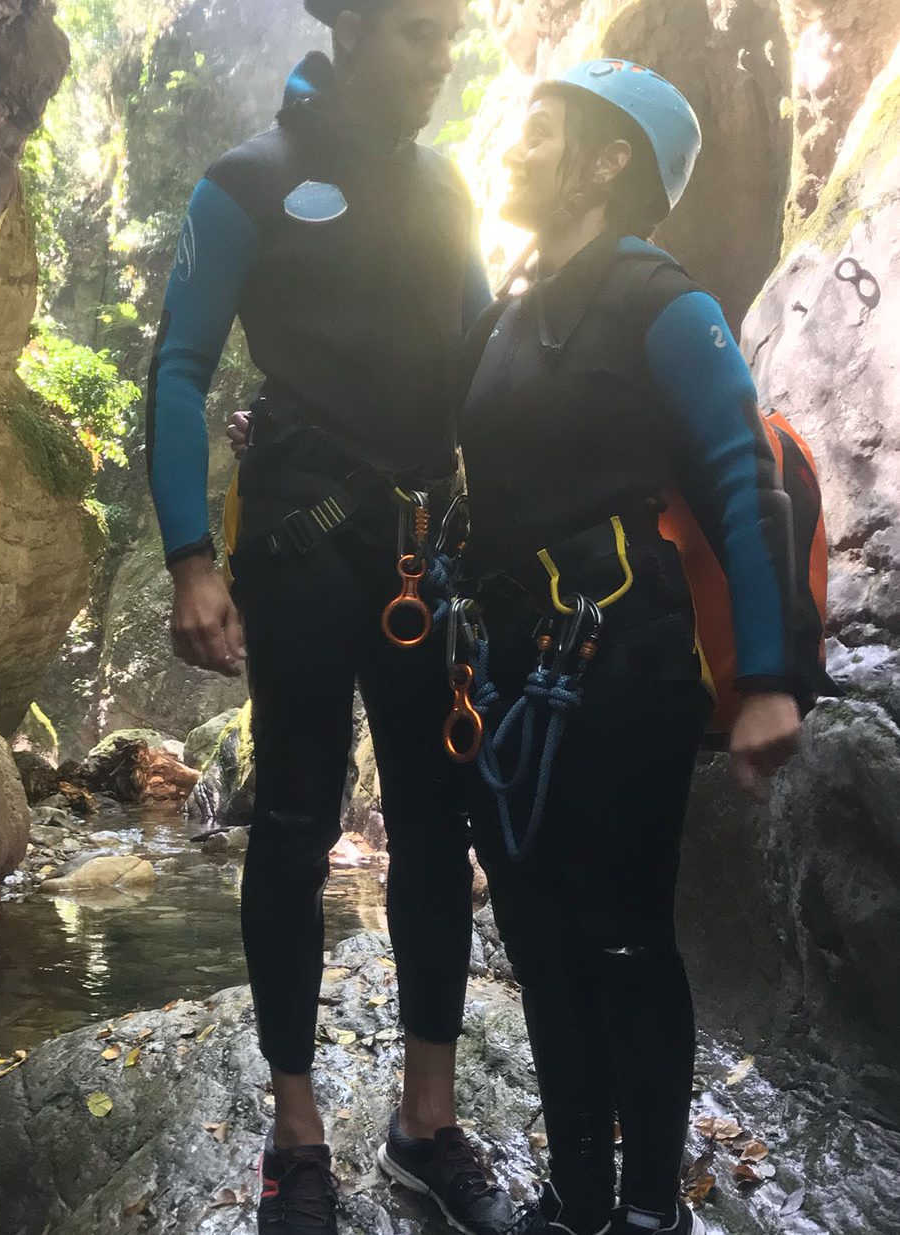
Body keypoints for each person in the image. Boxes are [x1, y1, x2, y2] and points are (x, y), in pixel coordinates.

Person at [146, 3, 535, 1233]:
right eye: (422, 30)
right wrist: (189, 556)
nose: (446, 51)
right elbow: (180, 366)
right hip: (302, 539)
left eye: (453, 32)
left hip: (427, 548)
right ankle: (295, 1126)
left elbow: (482, 362)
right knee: (299, 812)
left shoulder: (448, 188)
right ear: (358, 27)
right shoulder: (247, 182)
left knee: (431, 821)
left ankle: (426, 1122)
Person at [447, 61, 804, 1235]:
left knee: (617, 933)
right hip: (509, 668)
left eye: (538, 130)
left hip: (625, 652)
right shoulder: (509, 310)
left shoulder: (665, 304)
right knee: (541, 937)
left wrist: (764, 677)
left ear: (608, 161)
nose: (510, 145)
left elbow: (742, 484)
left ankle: (649, 1205)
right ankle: (575, 1196)